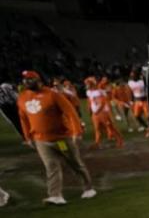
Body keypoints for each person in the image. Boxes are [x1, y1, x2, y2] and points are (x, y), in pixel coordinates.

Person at [17, 70, 96, 205]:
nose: (26, 82)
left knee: (74, 163)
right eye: (25, 80)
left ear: (38, 80)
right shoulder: (22, 97)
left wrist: (77, 131)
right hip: (41, 140)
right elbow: (23, 118)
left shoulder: (53, 95)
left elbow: (70, 112)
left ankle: (88, 188)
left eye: (30, 79)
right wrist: (28, 137)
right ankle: (55, 195)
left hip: (61, 139)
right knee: (50, 166)